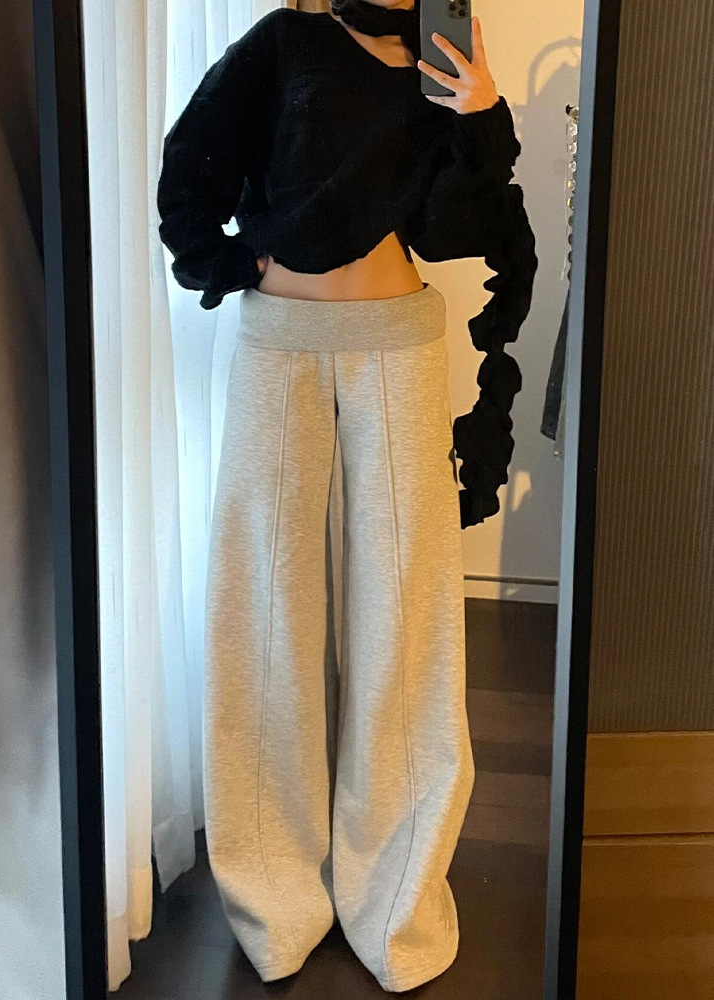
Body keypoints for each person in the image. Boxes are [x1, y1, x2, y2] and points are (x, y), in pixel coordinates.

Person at [157, 0, 537, 991]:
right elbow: (189, 169)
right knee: (265, 623)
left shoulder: (437, 60)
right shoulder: (285, 44)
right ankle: (273, 893)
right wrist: (230, 260)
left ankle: (395, 897)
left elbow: (455, 228)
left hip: (398, 349)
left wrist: (482, 115)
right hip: (279, 349)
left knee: (404, 626)